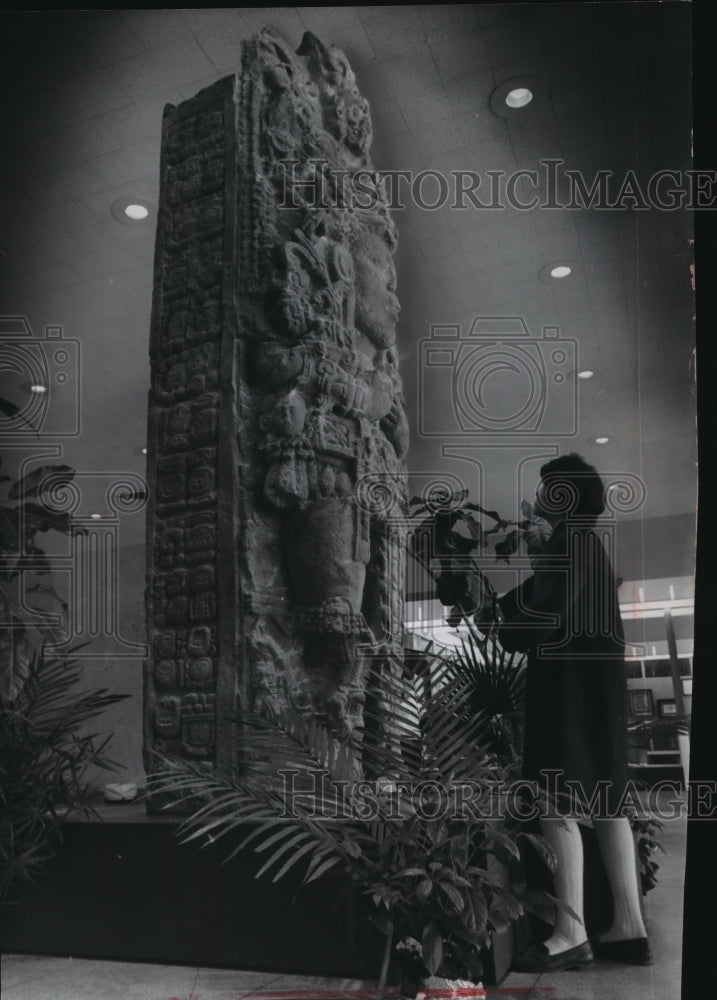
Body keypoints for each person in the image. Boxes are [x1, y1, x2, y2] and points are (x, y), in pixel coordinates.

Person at [497, 454, 650, 972]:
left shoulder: (572, 542)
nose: (539, 499)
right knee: (608, 803)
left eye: (547, 490)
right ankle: (629, 928)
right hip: (596, 696)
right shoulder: (584, 544)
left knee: (553, 801)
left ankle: (571, 932)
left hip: (568, 695)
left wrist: (504, 629)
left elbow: (543, 617)